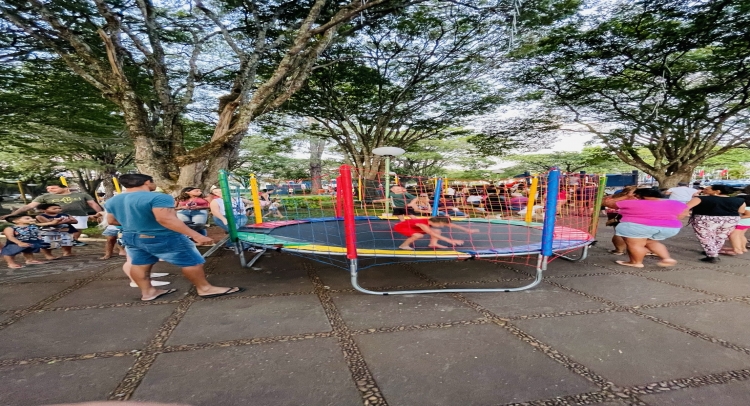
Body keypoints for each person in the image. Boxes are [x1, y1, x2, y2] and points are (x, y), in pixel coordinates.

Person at [105, 174, 242, 301]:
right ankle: (205, 289)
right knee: (191, 261)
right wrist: (195, 235)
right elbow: (166, 219)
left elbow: (112, 221)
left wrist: (137, 224)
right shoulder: (158, 197)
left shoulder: (113, 200)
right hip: (162, 235)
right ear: (147, 182)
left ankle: (148, 292)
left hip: (131, 236)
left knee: (139, 263)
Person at [604, 188, 688, 268]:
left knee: (636, 245)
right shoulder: (677, 203)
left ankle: (636, 262)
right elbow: (682, 215)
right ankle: (667, 258)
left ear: (638, 195)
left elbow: (607, 203)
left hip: (638, 227)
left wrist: (626, 196)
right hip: (670, 228)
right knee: (651, 242)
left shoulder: (632, 202)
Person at [1, 184, 103, 246]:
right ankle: (60, 245)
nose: (50, 190)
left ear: (65, 187)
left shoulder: (81, 194)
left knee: (77, 230)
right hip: (56, 217)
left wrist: (101, 214)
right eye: (48, 189)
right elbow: (28, 206)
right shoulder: (45, 197)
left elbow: (93, 204)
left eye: (53, 188)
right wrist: (12, 215)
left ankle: (73, 242)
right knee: (59, 231)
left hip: (79, 215)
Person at [685, 184, 746, 263]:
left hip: (706, 218)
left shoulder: (700, 198)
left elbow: (686, 207)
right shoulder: (739, 200)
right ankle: (713, 250)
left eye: (708, 189)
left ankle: (712, 255)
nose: (704, 190)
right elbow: (741, 211)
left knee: (705, 236)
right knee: (721, 236)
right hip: (730, 219)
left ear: (717, 191)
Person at [394, 216, 477, 250]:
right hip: (401, 227)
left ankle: (433, 244)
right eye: (442, 224)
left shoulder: (432, 221)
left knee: (437, 230)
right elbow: (431, 233)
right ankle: (403, 245)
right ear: (438, 222)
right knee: (418, 235)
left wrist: (467, 230)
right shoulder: (423, 224)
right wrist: (450, 241)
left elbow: (451, 225)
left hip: (413, 227)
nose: (442, 226)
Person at [603, 186, 637, 255]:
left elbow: (604, 201)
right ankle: (625, 250)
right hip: (625, 216)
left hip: (614, 214)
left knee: (619, 232)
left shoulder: (616, 195)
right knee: (624, 233)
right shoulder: (635, 198)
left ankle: (619, 250)